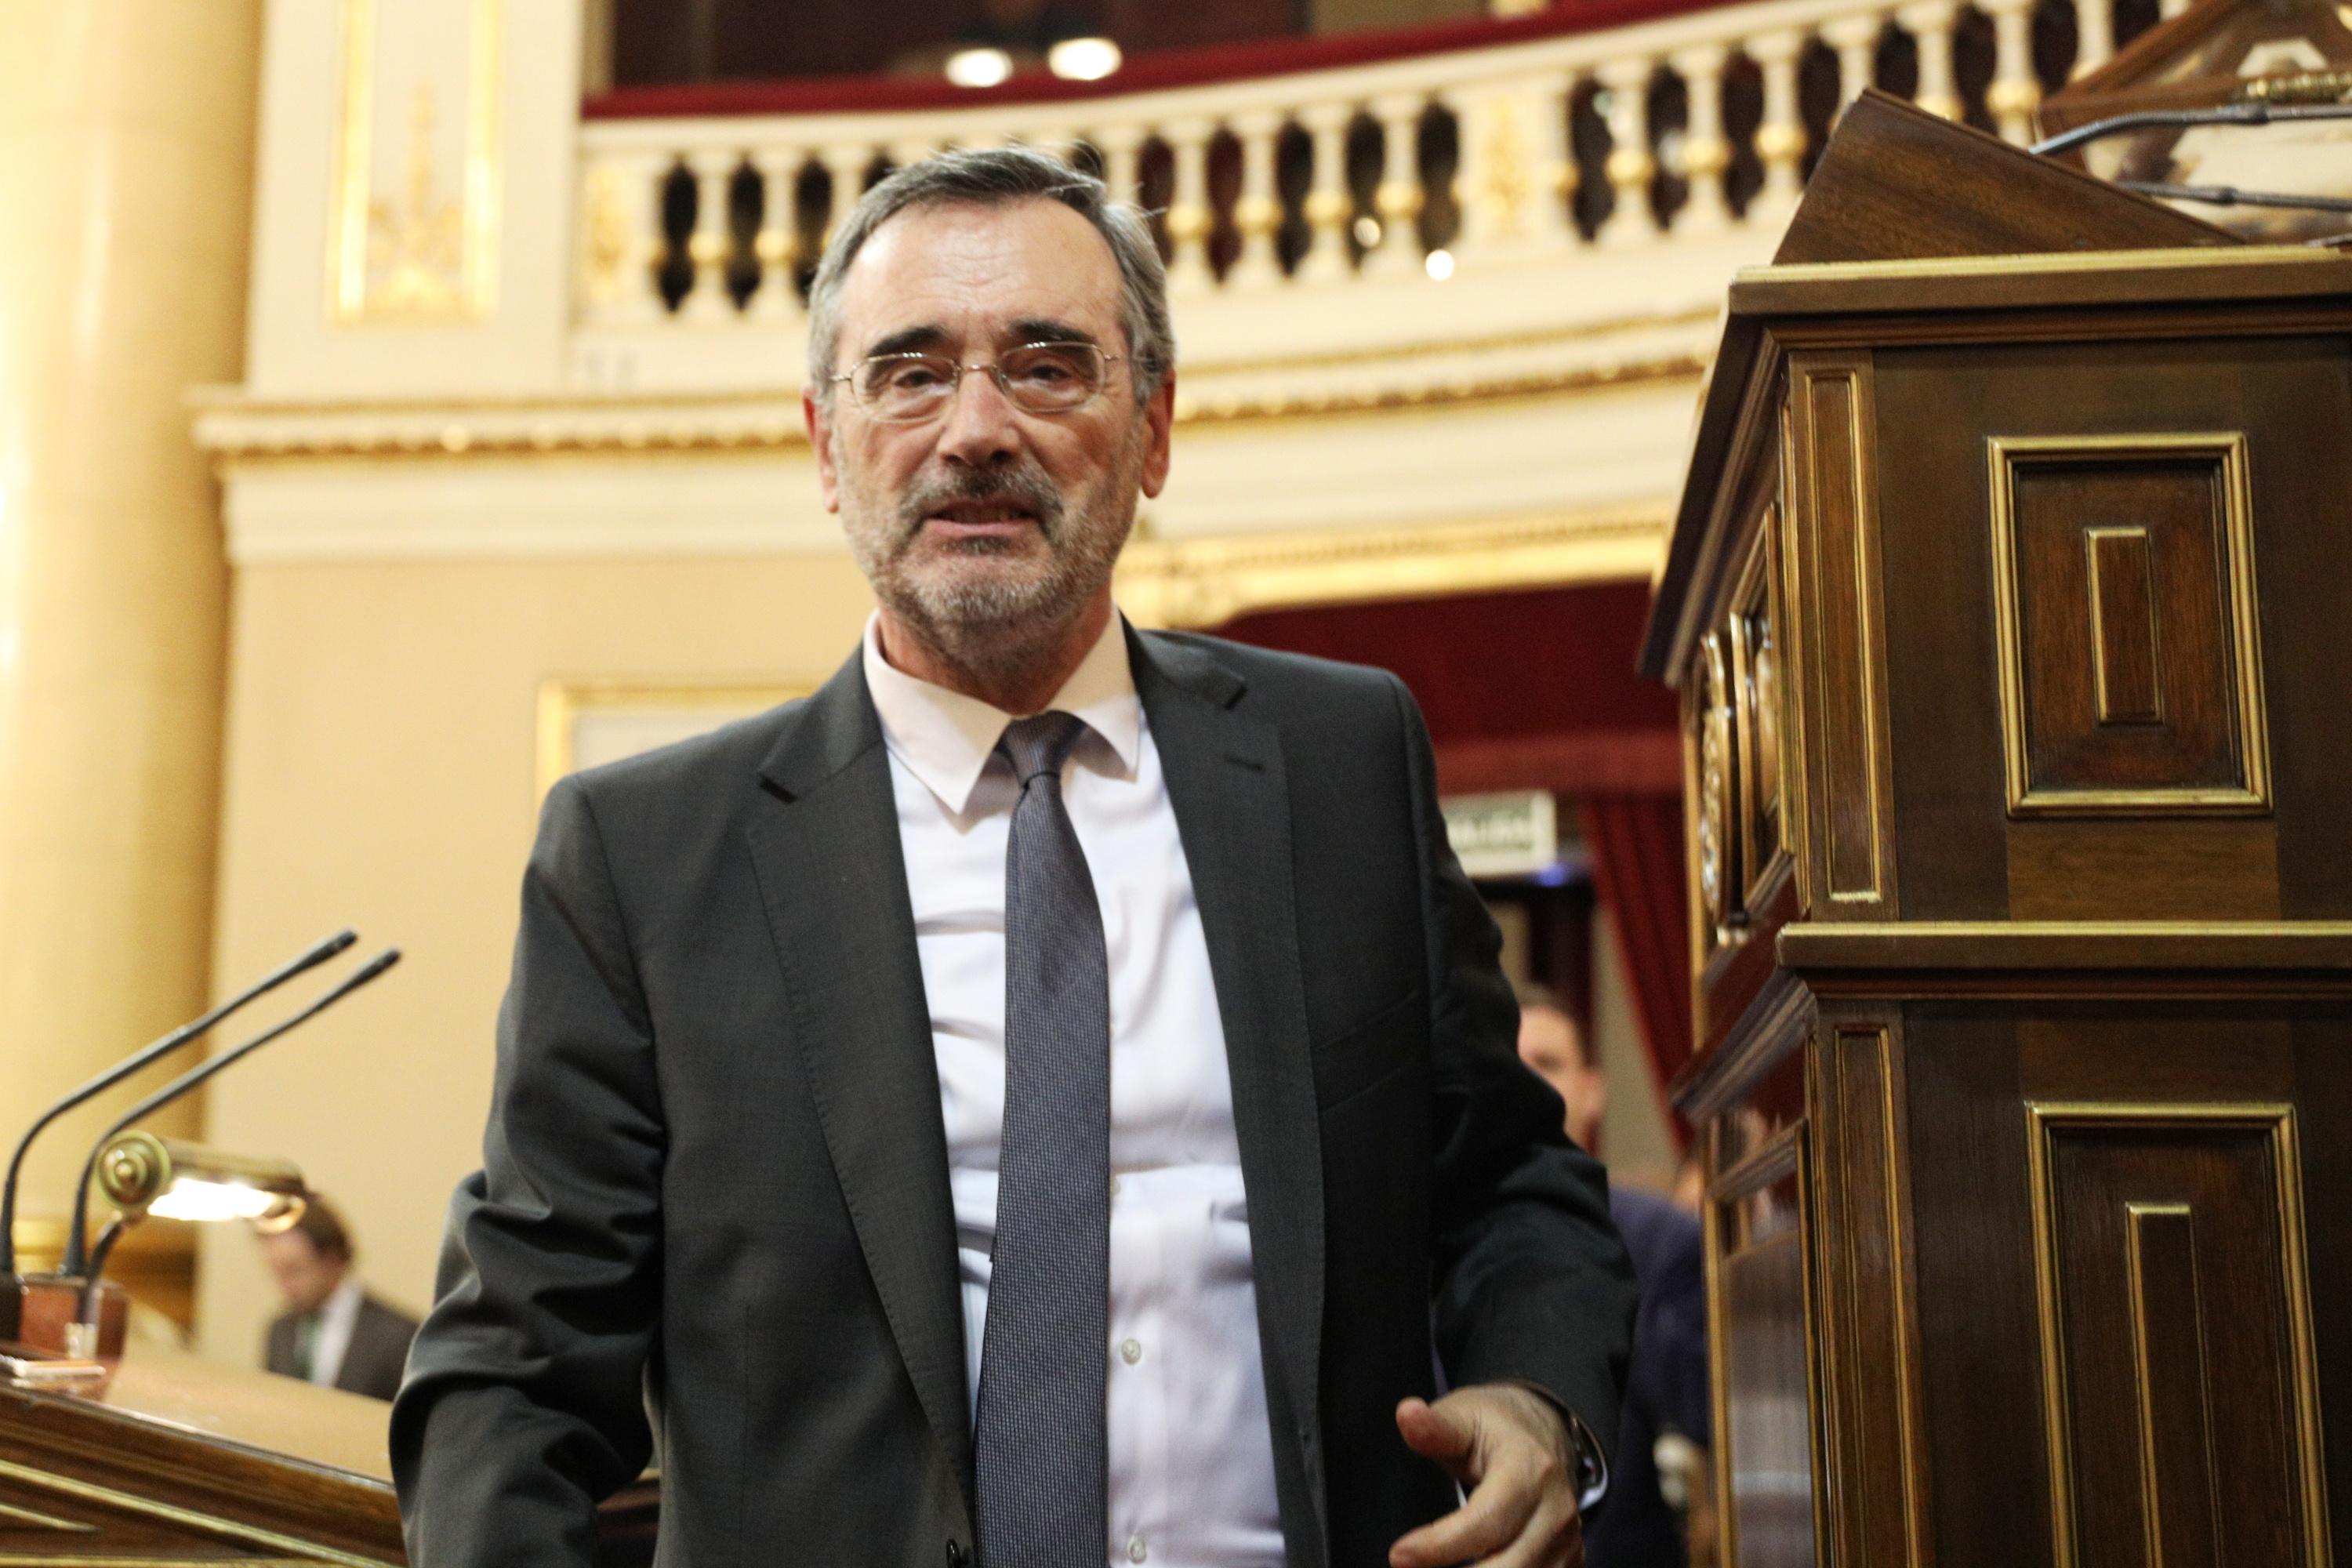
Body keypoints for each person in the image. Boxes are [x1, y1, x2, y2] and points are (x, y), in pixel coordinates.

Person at [392, 147, 1636, 1568]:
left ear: (1154, 429)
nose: (976, 428)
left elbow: (1510, 1184)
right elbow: (514, 1372)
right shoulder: (644, 857)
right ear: (824, 444)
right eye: (911, 371)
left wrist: (1541, 1397)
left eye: (1047, 367)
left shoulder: (1338, 766)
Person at [1515, 982, 1711, 1568]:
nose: (1527, 1084)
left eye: (1547, 1063)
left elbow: (1717, 1430)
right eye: (1508, 1065)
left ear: (1592, 1090)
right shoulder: (1419, 1244)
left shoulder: (1661, 1242)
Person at [260, 1196, 418, 1402]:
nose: (284, 1286)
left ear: (333, 1260)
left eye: (294, 1271)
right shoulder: (280, 1330)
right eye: (277, 1273)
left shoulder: (399, 1337)